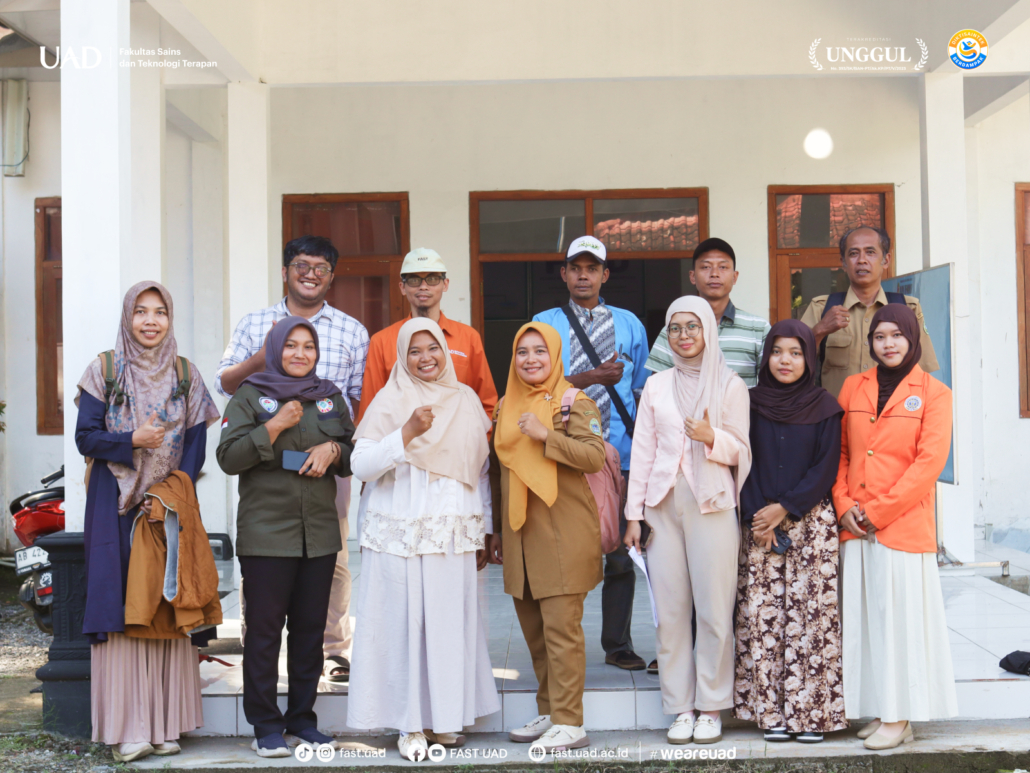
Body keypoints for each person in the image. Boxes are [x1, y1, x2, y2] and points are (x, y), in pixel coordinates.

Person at [75, 282, 221, 763]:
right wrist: (131, 440)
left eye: (160, 312)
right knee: (122, 608)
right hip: (115, 506)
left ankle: (164, 724)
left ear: (170, 318)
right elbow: (85, 437)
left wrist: (172, 491)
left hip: (166, 508)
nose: (151, 321)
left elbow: (196, 444)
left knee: (165, 606)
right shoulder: (104, 370)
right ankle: (128, 729)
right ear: (128, 317)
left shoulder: (186, 374)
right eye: (141, 312)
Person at [216, 235, 368, 683]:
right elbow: (226, 382)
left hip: (327, 462)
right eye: (302, 265)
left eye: (321, 268)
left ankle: (335, 651)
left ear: (331, 277)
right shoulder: (255, 323)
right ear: (285, 271)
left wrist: (337, 448)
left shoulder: (352, 330)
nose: (311, 274)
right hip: (267, 469)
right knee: (266, 573)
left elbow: (358, 398)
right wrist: (266, 356)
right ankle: (259, 652)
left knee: (331, 560)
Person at [347, 318, 500, 761]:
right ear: (402, 356)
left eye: (432, 348)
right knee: (403, 625)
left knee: (448, 625)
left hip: (451, 530)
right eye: (414, 351)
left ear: (445, 353)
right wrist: (407, 432)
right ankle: (409, 724)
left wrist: (484, 529)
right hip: (400, 529)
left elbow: (480, 470)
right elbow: (361, 465)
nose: (425, 358)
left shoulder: (466, 399)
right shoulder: (390, 398)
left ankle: (444, 718)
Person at [217, 318, 355, 758]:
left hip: (319, 533)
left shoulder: (329, 396)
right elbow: (228, 457)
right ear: (276, 350)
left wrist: (334, 449)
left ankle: (302, 720)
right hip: (266, 534)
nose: (300, 354)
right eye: (291, 345)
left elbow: (354, 451)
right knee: (263, 633)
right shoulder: (249, 395)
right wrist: (274, 425)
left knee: (310, 631)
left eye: (308, 346)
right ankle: (265, 725)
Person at [624, 296, 751, 745]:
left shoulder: (730, 384)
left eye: (692, 326)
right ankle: (680, 707)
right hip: (661, 505)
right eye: (675, 328)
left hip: (711, 504)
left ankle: (711, 706)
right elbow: (642, 451)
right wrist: (633, 514)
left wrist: (711, 436)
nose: (683, 335)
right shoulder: (657, 385)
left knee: (714, 610)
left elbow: (742, 450)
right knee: (671, 613)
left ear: (707, 332)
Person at [834, 304, 957, 750]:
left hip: (900, 526)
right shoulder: (854, 386)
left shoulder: (935, 393)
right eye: (880, 336)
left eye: (897, 335)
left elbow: (929, 464)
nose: (888, 344)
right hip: (856, 523)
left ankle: (900, 717)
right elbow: (841, 453)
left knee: (900, 623)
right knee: (867, 622)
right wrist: (844, 504)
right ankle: (882, 708)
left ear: (912, 338)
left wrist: (878, 511)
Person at [532, 235, 650, 672]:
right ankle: (564, 647)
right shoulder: (544, 322)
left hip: (619, 455)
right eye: (576, 268)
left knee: (620, 554)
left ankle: (617, 644)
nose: (584, 276)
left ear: (605, 274)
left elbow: (643, 390)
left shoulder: (630, 324)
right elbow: (536, 386)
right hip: (562, 455)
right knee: (566, 558)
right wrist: (592, 377)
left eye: (592, 268)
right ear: (564, 274)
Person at [486, 322, 606, 753]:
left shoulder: (575, 401)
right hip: (520, 532)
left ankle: (570, 722)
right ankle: (551, 711)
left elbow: (593, 456)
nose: (531, 359)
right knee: (536, 634)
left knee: (561, 632)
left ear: (555, 356)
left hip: (563, 532)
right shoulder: (505, 406)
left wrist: (546, 435)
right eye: (522, 352)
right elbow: (498, 472)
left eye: (540, 351)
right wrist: (496, 529)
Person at [732, 320, 847, 744]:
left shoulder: (826, 406)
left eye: (796, 353)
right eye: (778, 352)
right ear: (766, 357)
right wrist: (758, 516)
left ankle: (811, 715)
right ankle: (771, 715)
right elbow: (741, 461)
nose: (786, 361)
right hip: (759, 523)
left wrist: (785, 508)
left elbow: (825, 467)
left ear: (809, 359)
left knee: (811, 618)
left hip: (809, 524)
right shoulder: (747, 403)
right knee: (764, 619)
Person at [356, 248, 497, 424]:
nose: (423, 286)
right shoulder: (382, 341)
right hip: (404, 438)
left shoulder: (468, 337)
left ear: (445, 284)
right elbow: (371, 410)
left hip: (459, 438)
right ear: (402, 287)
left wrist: (478, 439)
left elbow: (487, 405)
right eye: (414, 280)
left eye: (432, 279)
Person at [800, 225, 938, 398]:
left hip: (891, 412)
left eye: (870, 252)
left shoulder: (908, 308)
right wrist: (820, 330)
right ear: (843, 262)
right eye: (853, 253)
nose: (862, 260)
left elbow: (922, 372)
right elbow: (794, 364)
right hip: (838, 413)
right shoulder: (822, 308)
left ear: (886, 260)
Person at [645, 238, 770, 386]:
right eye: (705, 267)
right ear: (692, 276)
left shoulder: (758, 328)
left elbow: (770, 388)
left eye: (723, 267)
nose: (714, 274)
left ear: (734, 277)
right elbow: (657, 388)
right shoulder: (674, 330)